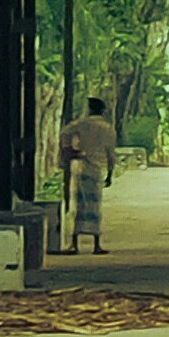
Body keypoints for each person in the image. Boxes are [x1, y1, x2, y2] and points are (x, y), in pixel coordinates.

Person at [58, 93, 118, 254]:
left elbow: (64, 133)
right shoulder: (107, 128)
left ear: (90, 109)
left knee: (79, 205)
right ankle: (96, 244)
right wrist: (110, 173)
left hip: (81, 166)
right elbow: (111, 153)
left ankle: (74, 244)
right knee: (95, 206)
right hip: (97, 169)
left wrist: (70, 150)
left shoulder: (81, 124)